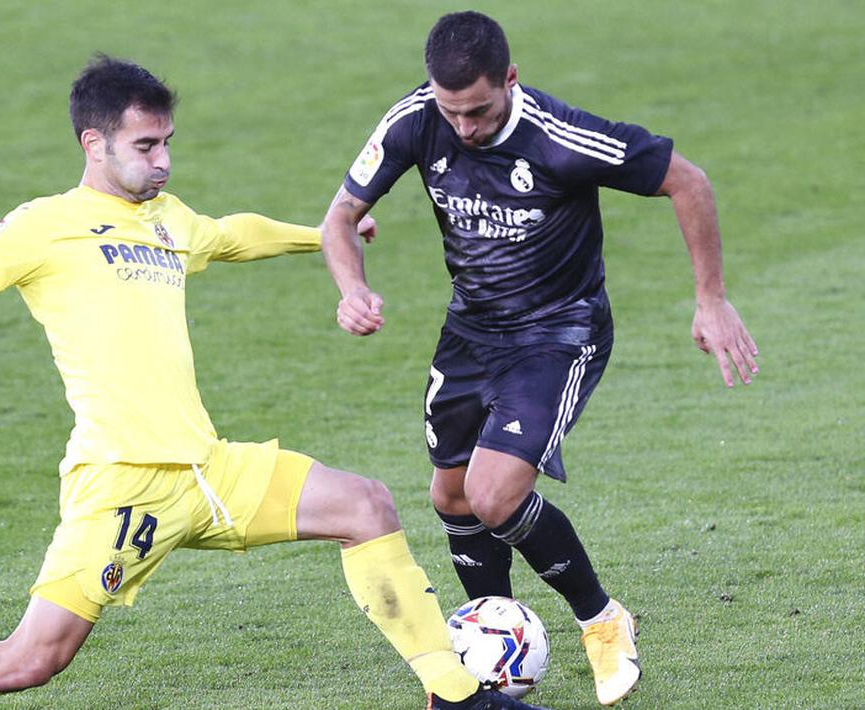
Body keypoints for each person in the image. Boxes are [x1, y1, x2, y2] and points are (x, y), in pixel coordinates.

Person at [0, 57, 549, 710]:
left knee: (366, 504)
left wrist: (320, 232)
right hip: (123, 484)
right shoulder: (45, 225)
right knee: (31, 662)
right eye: (145, 146)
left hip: (207, 469)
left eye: (167, 144)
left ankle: (452, 694)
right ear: (94, 143)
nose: (163, 161)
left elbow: (227, 233)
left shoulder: (165, 219)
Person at [320, 11, 758, 707]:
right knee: (451, 495)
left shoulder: (560, 139)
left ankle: (601, 619)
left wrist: (710, 299)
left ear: (510, 80)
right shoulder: (415, 119)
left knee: (494, 494)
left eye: (478, 110)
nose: (462, 127)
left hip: (558, 332)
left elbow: (689, 181)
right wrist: (352, 288)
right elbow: (339, 216)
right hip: (470, 331)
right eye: (449, 109)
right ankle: (490, 660)